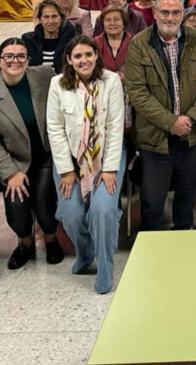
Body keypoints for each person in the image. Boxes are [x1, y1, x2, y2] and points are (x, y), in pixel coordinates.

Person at [126, 0, 196, 231]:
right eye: (164, 12)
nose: (170, 17)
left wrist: (192, 117)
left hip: (191, 134)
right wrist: (170, 122)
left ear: (182, 14)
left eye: (176, 12)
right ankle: (151, 247)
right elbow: (137, 92)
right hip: (155, 138)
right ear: (155, 13)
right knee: (153, 201)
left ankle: (183, 239)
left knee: (188, 194)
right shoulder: (139, 44)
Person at [0, 39, 63, 270]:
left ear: (28, 60)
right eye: (9, 56)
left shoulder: (44, 75)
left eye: (21, 56)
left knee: (44, 204)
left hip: (44, 155)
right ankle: (25, 243)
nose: (15, 61)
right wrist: (10, 173)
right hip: (14, 161)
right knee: (17, 210)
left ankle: (52, 241)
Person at [47, 36, 125, 293]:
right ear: (69, 60)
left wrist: (110, 168)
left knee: (103, 211)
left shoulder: (110, 80)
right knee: (71, 213)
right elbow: (55, 129)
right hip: (72, 161)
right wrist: (67, 171)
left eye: (89, 55)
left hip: (107, 157)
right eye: (78, 56)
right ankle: (85, 252)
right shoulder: (57, 84)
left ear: (96, 56)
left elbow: (114, 127)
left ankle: (104, 267)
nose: (84, 60)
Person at [22, 0, 78, 74]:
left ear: (61, 18)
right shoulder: (28, 41)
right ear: (40, 19)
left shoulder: (73, 40)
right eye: (46, 17)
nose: (50, 21)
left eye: (54, 16)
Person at [94, 5, 132, 80]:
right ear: (103, 24)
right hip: (103, 85)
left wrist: (129, 77)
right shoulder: (95, 42)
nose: (112, 23)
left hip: (131, 87)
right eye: (108, 20)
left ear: (124, 22)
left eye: (116, 19)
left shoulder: (135, 42)